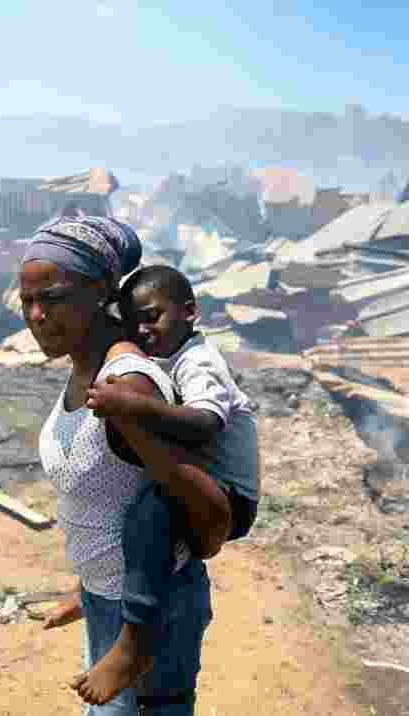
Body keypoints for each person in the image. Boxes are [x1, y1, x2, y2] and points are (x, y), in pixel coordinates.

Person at [21, 216, 232, 714]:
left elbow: (204, 511)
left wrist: (141, 605)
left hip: (150, 611)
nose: (35, 315)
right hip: (109, 599)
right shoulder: (83, 368)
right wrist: (87, 586)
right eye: (26, 300)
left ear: (99, 293)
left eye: (51, 298)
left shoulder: (127, 387)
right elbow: (109, 494)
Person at [76, 264, 260, 704]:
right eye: (134, 322)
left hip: (230, 497)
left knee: (147, 516)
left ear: (191, 311)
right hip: (207, 485)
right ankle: (120, 609)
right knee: (140, 515)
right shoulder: (164, 355)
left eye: (152, 316)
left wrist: (129, 404)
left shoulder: (199, 361)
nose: (143, 330)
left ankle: (137, 637)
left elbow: (202, 424)